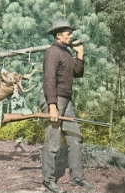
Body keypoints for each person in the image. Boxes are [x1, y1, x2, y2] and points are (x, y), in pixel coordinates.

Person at [40, 18, 94, 192]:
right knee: (53, 141)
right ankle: (48, 180)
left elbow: (77, 73)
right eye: (68, 33)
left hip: (66, 100)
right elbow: (48, 80)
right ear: (58, 35)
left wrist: (80, 54)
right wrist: (52, 106)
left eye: (71, 33)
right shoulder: (53, 52)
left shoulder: (66, 53)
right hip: (53, 98)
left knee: (75, 139)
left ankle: (77, 178)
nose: (71, 36)